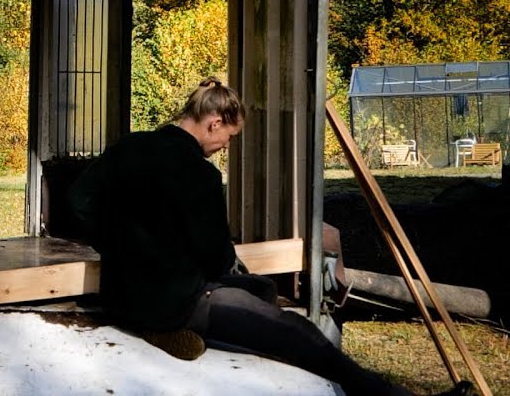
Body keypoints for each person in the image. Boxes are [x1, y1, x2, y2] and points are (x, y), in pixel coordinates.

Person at [69, 77, 473, 396]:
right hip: (175, 302)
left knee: (258, 290)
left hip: (121, 294)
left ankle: (167, 327)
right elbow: (213, 260)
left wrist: (119, 243)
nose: (224, 147)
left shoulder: (130, 147)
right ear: (214, 123)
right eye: (228, 138)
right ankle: (389, 394)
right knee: (297, 333)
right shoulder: (199, 175)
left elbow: (78, 200)